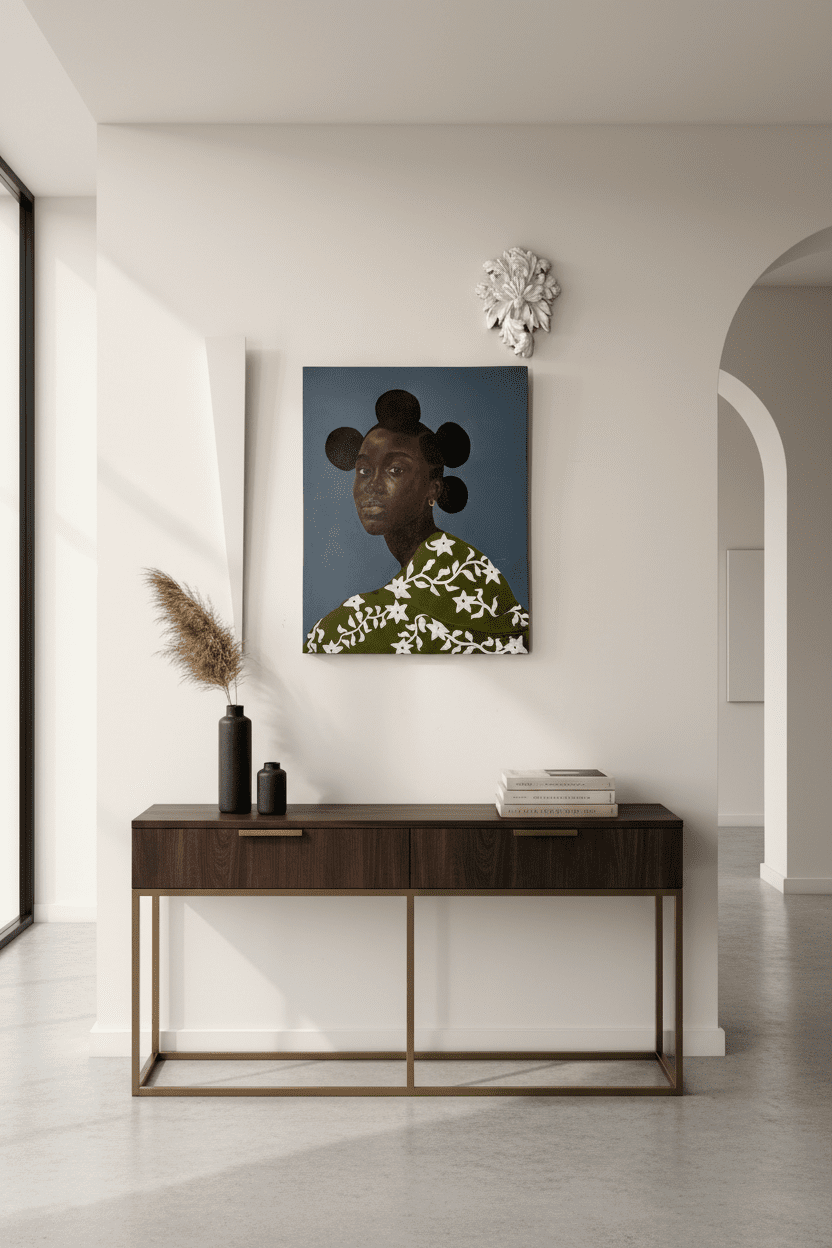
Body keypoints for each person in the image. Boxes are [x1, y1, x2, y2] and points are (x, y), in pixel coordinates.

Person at [304, 389, 528, 654]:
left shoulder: (344, 629)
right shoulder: (474, 570)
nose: (372, 485)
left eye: (395, 470)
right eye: (364, 470)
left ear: (433, 489)